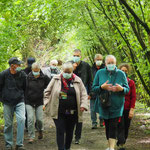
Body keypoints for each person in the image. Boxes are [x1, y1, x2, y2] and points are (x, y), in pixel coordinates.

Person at [44, 62, 88, 150]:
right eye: (65, 71)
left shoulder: (77, 80)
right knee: (60, 130)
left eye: (69, 72)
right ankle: (61, 148)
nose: (67, 74)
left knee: (69, 131)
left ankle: (67, 147)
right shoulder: (56, 79)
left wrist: (83, 105)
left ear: (72, 71)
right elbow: (47, 92)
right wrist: (46, 103)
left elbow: (83, 94)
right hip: (59, 111)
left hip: (73, 112)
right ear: (62, 71)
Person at [92, 55, 129, 150]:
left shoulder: (121, 74)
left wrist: (121, 89)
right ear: (105, 64)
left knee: (113, 125)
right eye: (109, 63)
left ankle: (111, 148)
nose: (111, 64)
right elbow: (94, 88)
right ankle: (109, 146)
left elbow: (127, 89)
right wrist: (101, 87)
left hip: (117, 105)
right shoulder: (100, 73)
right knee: (107, 126)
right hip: (104, 104)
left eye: (112, 63)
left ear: (115, 63)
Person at [0, 57, 26, 150]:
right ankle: (8, 144)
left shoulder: (22, 74)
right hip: (7, 102)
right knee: (8, 124)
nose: (20, 66)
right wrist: (2, 99)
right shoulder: (3, 74)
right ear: (12, 66)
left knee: (22, 119)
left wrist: (23, 98)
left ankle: (19, 144)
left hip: (20, 101)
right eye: (18, 65)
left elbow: (25, 87)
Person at [25, 62, 50, 143]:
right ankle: (31, 136)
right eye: (34, 70)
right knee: (30, 119)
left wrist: (46, 98)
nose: (36, 72)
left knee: (39, 119)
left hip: (39, 101)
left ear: (39, 70)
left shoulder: (44, 77)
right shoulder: (27, 77)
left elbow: (49, 87)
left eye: (37, 70)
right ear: (32, 70)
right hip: (29, 101)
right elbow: (24, 89)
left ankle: (40, 131)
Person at [72, 49, 92, 144]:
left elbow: (90, 80)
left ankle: (77, 137)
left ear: (81, 56)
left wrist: (90, 93)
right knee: (70, 116)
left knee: (79, 116)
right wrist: (73, 69)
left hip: (82, 94)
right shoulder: (69, 64)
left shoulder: (86, 65)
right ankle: (69, 134)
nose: (76, 57)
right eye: (74, 55)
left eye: (77, 55)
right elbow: (63, 77)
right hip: (70, 94)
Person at [117, 64, 136, 150]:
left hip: (127, 108)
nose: (124, 73)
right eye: (122, 71)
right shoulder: (116, 82)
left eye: (126, 71)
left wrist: (132, 109)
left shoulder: (131, 82)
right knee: (120, 126)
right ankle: (121, 144)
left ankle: (122, 140)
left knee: (126, 126)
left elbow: (133, 97)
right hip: (118, 108)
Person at [90, 54, 105, 129]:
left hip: (102, 91)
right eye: (97, 59)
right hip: (93, 91)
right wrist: (89, 92)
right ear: (94, 60)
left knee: (102, 107)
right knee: (92, 108)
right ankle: (94, 123)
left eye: (100, 59)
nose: (99, 61)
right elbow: (89, 81)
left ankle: (102, 121)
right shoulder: (91, 69)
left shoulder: (105, 68)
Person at [23, 57, 36, 131]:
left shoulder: (23, 71)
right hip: (31, 93)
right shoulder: (36, 70)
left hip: (27, 94)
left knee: (27, 112)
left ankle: (28, 125)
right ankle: (29, 125)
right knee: (32, 111)